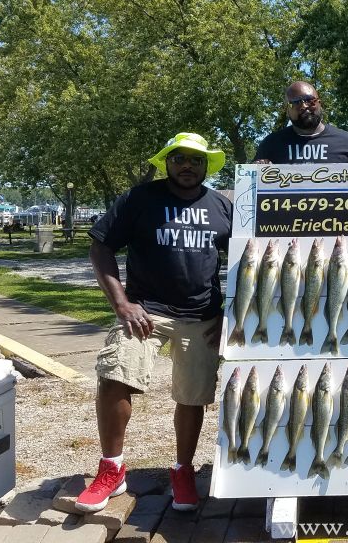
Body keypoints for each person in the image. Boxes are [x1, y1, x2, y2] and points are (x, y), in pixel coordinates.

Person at [76, 132, 232, 513]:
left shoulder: (221, 205)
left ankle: (182, 471)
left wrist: (230, 312)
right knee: (115, 374)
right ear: (167, 162)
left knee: (193, 397)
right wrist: (122, 305)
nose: (187, 165)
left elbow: (250, 259)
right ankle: (112, 469)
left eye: (196, 160)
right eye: (179, 158)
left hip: (202, 316)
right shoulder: (139, 198)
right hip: (147, 311)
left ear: (205, 165)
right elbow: (101, 246)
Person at [254, 81, 348, 164]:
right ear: (287, 110)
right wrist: (257, 172)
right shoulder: (271, 144)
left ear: (320, 103)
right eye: (295, 102)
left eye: (310, 100)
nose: (304, 106)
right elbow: (249, 190)